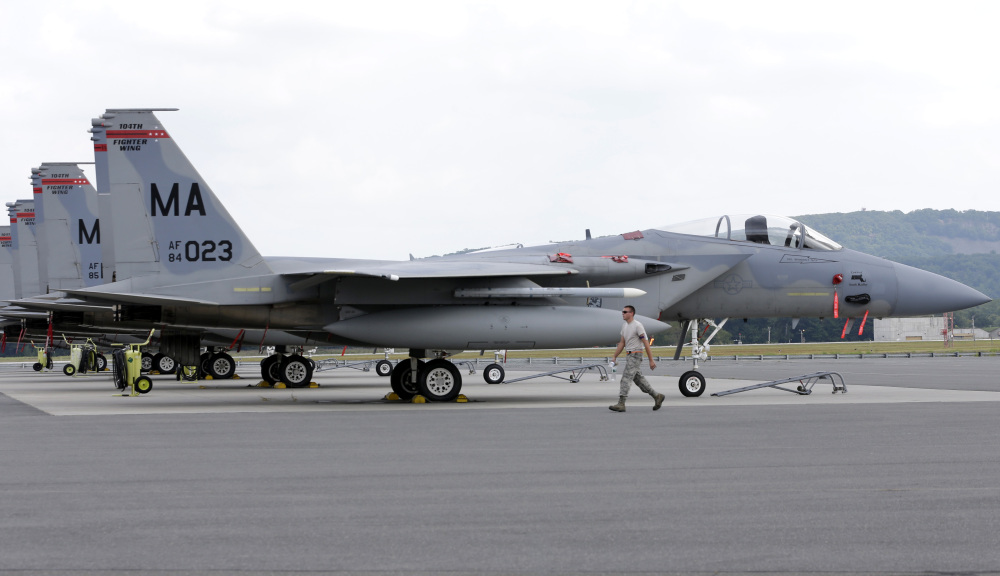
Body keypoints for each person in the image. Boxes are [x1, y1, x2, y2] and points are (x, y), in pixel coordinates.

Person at [610, 305, 664, 412]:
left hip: (636, 355)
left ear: (631, 313)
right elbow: (622, 343)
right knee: (638, 380)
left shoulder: (638, 326)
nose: (623, 313)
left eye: (625, 312)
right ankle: (657, 396)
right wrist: (614, 356)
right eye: (622, 312)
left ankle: (621, 403)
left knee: (626, 378)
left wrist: (651, 360)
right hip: (629, 355)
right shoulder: (624, 326)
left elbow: (646, 343)